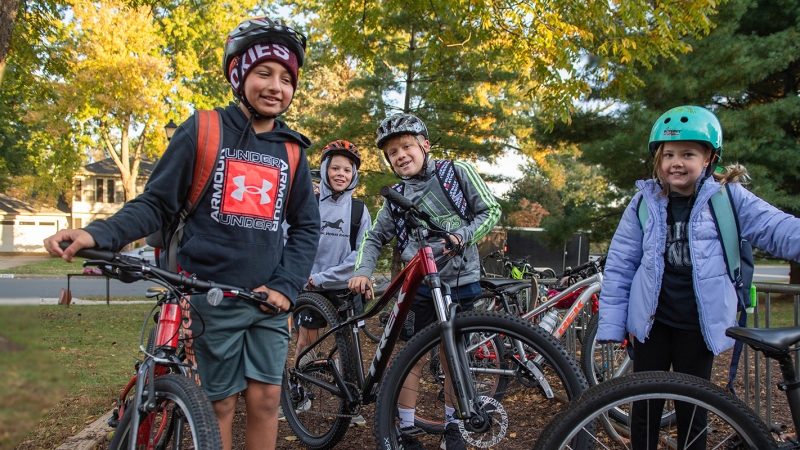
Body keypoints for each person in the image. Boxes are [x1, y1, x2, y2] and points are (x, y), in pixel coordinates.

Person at [43, 17, 320, 450]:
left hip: (267, 301)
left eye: (287, 78)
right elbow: (156, 203)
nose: (276, 86)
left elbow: (307, 226)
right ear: (238, 73)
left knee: (267, 400)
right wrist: (99, 234)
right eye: (264, 72)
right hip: (207, 296)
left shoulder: (293, 150)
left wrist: (286, 285)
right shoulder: (204, 129)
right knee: (220, 406)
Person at [596, 105, 800, 449]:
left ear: (709, 159)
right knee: (644, 406)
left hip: (698, 325)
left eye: (688, 154)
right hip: (651, 324)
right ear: (659, 160)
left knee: (695, 407)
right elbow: (620, 265)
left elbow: (776, 228)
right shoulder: (643, 202)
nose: (677, 162)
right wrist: (613, 325)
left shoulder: (728, 198)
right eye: (669, 154)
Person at [348, 113, 501, 450]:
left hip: (460, 282)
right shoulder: (396, 197)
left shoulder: (456, 173)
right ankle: (405, 428)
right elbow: (374, 238)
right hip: (418, 286)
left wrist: (462, 235)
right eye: (392, 153)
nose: (400, 155)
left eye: (406, 146)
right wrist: (361, 270)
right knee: (411, 356)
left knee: (453, 356)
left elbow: (490, 211)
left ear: (425, 145)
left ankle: (452, 427)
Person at [282, 140, 372, 427]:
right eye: (334, 167)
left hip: (341, 287)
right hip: (308, 288)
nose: (340, 173)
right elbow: (289, 238)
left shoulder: (358, 210)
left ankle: (351, 400)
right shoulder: (307, 201)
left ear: (354, 174)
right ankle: (300, 393)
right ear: (324, 169)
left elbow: (361, 254)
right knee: (306, 342)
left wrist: (323, 277)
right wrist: (299, 274)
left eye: (347, 169)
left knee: (350, 348)